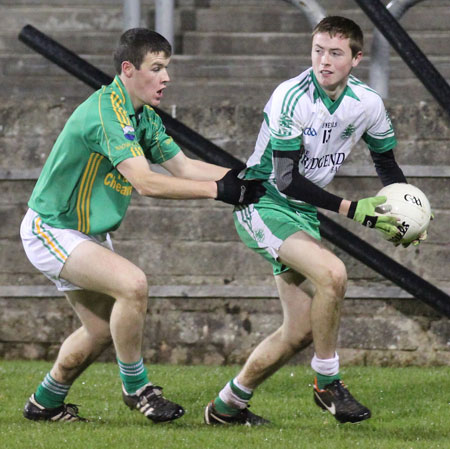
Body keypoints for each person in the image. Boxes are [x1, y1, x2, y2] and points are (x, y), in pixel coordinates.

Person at [20, 28, 265, 423]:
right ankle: (137, 389)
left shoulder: (142, 116)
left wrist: (250, 179)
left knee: (100, 331)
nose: (166, 77)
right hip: (51, 228)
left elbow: (183, 166)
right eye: (157, 68)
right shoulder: (107, 113)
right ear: (129, 69)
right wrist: (218, 191)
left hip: (85, 233)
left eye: (166, 67)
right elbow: (145, 181)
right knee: (133, 285)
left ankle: (44, 403)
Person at [204, 16, 426, 427]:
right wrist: (352, 209)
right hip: (263, 200)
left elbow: (386, 164)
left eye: (336, 53)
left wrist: (406, 213)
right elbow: (287, 180)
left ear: (356, 59)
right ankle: (327, 384)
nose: (324, 61)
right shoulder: (291, 96)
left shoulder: (368, 103)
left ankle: (226, 407)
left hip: (299, 211)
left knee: (300, 331)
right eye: (318, 50)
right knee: (334, 274)